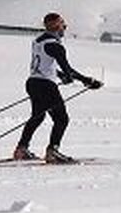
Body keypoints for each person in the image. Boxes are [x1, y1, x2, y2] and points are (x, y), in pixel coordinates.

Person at [14, 12, 102, 163]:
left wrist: (62, 76)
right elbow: (68, 69)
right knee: (62, 119)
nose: (64, 28)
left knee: (38, 117)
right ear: (55, 26)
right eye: (62, 25)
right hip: (46, 85)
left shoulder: (38, 41)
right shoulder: (55, 45)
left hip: (33, 82)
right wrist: (88, 80)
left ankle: (21, 149)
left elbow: (47, 65)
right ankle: (52, 151)